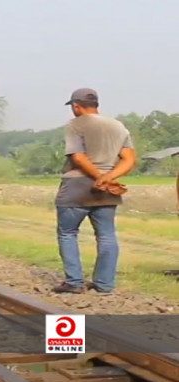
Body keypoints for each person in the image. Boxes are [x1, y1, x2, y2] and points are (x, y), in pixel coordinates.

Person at [53, 88, 136, 294]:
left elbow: (78, 158)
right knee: (107, 235)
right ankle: (105, 284)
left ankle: (74, 282)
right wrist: (109, 177)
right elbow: (129, 159)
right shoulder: (118, 126)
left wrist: (98, 177)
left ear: (76, 106)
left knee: (68, 233)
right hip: (108, 188)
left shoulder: (75, 124)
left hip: (77, 186)